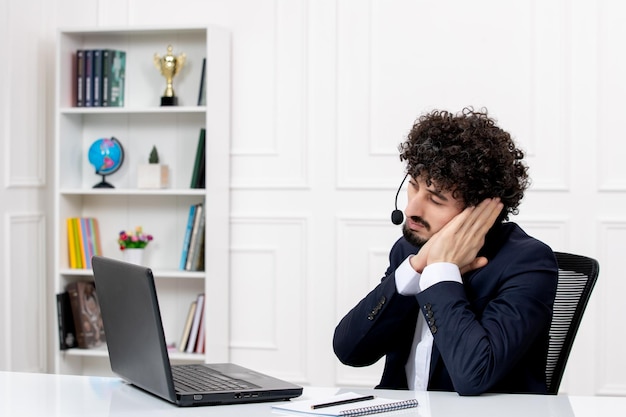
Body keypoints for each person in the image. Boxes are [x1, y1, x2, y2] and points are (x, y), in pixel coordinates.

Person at [333, 107, 558, 396]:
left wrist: (440, 271)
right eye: (413, 186)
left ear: (480, 211)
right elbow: (350, 351)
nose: (412, 209)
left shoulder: (528, 263)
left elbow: (474, 376)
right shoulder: (410, 250)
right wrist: (417, 267)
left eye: (436, 200)